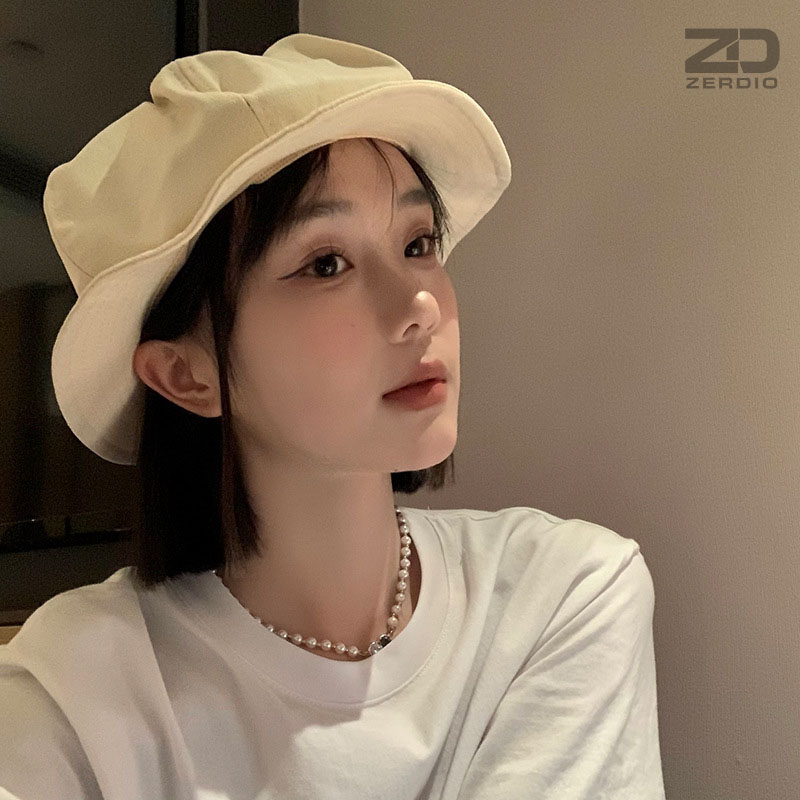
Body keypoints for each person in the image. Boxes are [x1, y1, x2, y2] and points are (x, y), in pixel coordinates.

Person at [0, 32, 666, 799]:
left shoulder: (559, 595)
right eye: (326, 263)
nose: (420, 304)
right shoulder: (73, 693)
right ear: (186, 374)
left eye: (418, 242)